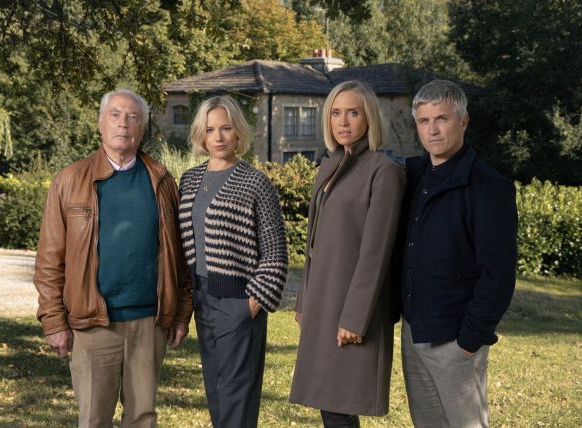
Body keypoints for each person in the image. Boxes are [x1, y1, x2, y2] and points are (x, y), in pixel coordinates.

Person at [33, 88, 193, 427]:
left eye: (133, 117)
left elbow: (179, 256)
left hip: (149, 324)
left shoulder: (162, 181)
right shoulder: (68, 181)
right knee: (94, 418)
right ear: (100, 124)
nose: (124, 124)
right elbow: (49, 262)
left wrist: (180, 313)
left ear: (143, 128)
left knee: (143, 418)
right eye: (116, 115)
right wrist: (53, 321)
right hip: (93, 326)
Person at [395, 79, 517, 427]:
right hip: (414, 330)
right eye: (424, 121)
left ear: (463, 121)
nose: (432, 130)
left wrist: (469, 340)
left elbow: (499, 274)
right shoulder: (414, 175)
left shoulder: (488, 186)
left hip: (455, 339)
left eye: (442, 119)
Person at [289, 80, 406, 427]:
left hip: (352, 310)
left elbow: (376, 252)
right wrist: (304, 301)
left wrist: (355, 318)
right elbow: (313, 245)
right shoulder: (330, 166)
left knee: (340, 405)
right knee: (330, 404)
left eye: (353, 113)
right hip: (323, 303)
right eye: (336, 113)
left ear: (369, 117)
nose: (343, 122)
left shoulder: (384, 172)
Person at [178, 95, 288, 428]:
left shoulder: (255, 183)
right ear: (201, 136)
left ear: (238, 132)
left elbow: (275, 252)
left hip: (238, 301)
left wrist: (252, 304)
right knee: (216, 390)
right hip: (202, 301)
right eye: (211, 129)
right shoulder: (190, 180)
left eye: (226, 128)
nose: (219, 136)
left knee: (237, 397)